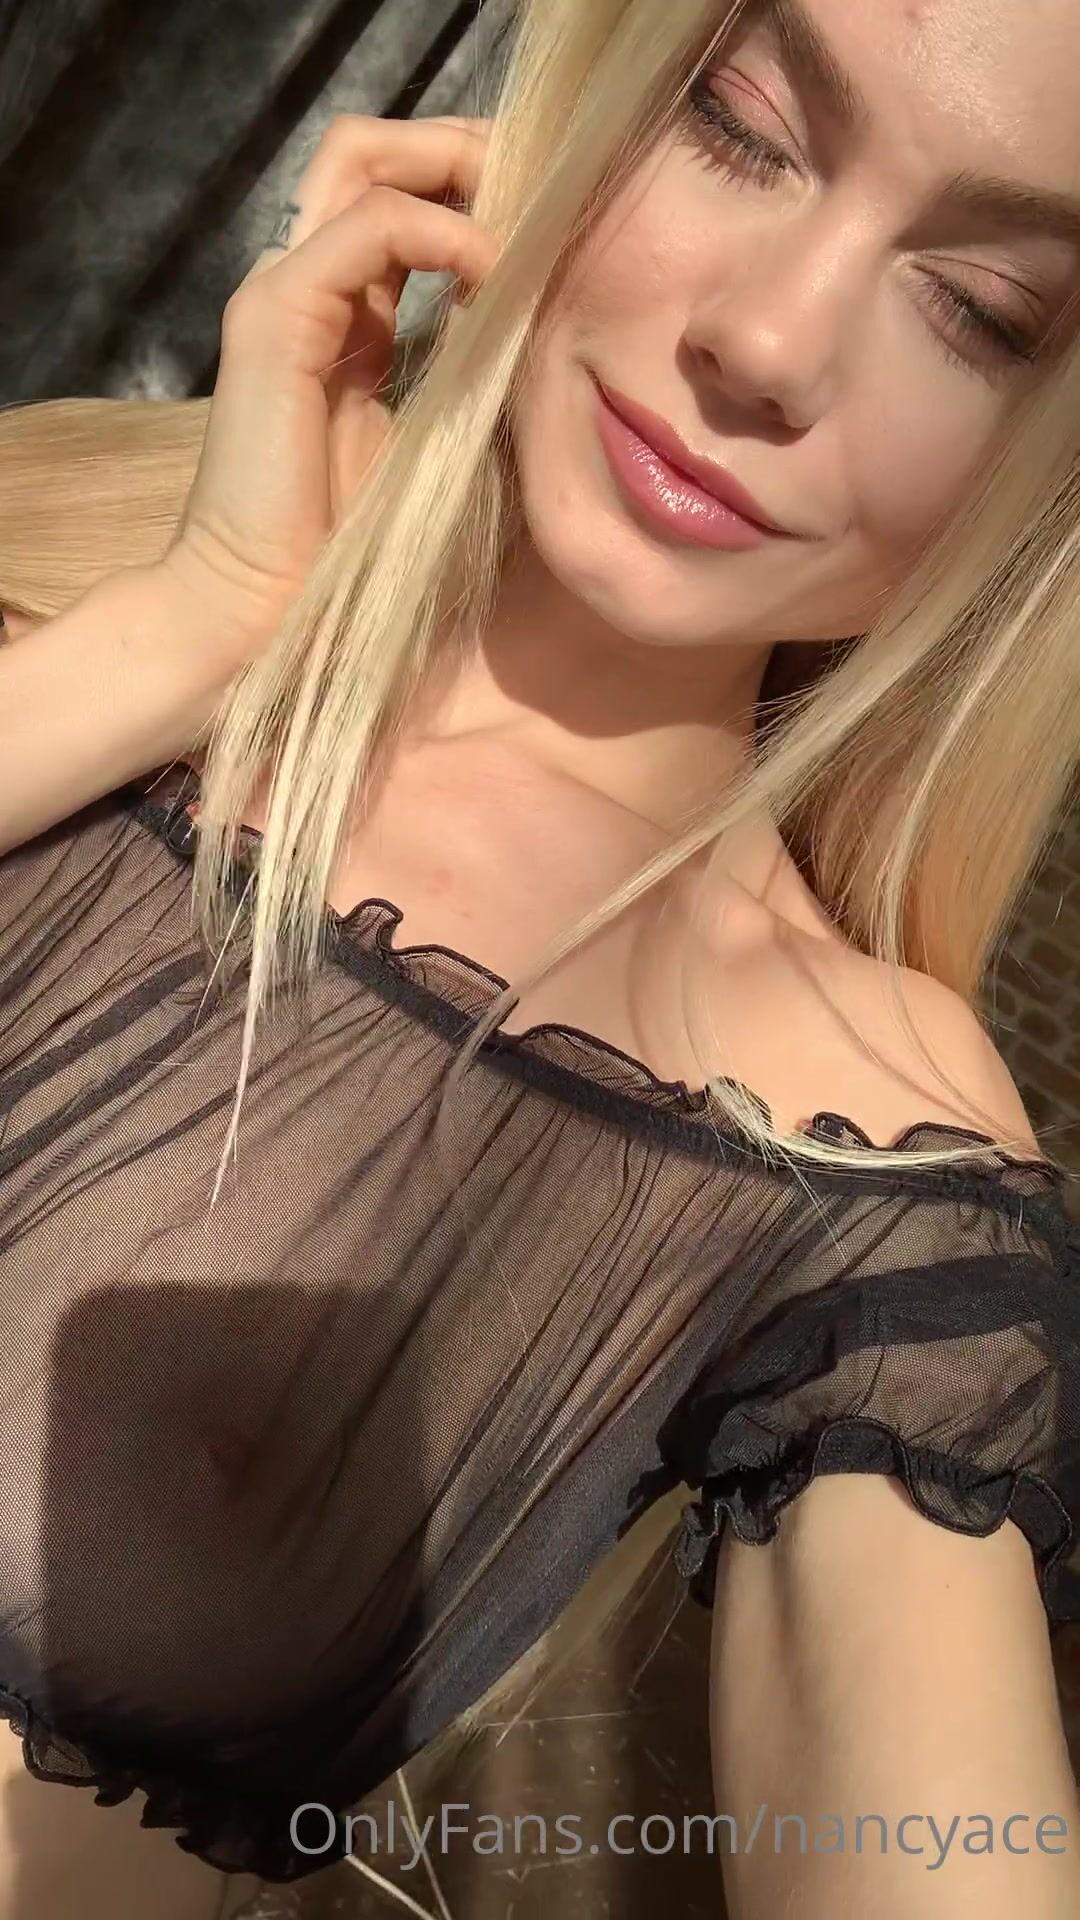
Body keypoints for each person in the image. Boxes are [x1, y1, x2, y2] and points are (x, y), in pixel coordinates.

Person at [1, 0, 1080, 1914]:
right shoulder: (48, 546)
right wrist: (183, 635)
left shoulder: (858, 1144)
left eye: (980, 307)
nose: (768, 343)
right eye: (740, 124)